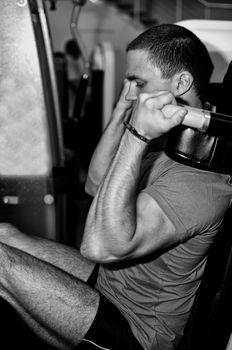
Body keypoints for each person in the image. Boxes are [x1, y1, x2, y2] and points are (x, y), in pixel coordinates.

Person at [0, 23, 231, 350]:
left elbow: (99, 247)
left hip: (136, 330)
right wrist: (125, 110)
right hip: (111, 284)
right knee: (5, 234)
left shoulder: (198, 179)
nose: (132, 92)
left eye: (139, 83)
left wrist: (137, 135)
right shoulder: (167, 142)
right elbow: (96, 183)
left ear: (181, 83)